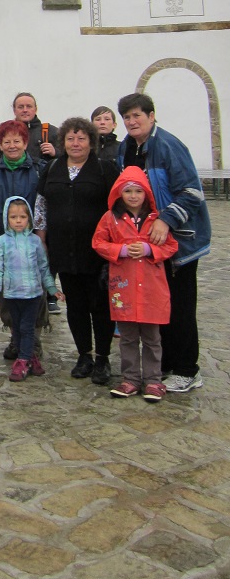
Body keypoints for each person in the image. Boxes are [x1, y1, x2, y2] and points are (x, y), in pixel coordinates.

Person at [116, 92, 211, 393]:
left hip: (179, 242)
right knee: (159, 306)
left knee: (180, 306)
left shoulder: (169, 145)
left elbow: (192, 192)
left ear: (151, 116)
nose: (132, 121)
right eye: (127, 117)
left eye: (137, 115)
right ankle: (167, 364)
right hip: (148, 244)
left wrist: (166, 219)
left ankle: (187, 370)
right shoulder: (126, 148)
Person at [34, 116, 119, 385]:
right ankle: (85, 356)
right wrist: (41, 238)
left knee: (100, 305)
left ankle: (103, 357)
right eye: (70, 138)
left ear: (91, 142)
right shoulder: (53, 168)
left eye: (81, 138)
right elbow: (41, 205)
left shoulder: (105, 169)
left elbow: (117, 208)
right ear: (63, 142)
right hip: (63, 249)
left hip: (97, 251)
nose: (76, 143)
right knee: (76, 305)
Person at [92, 167, 178, 400]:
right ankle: (130, 379)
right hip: (124, 288)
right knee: (128, 337)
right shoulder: (110, 218)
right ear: (119, 193)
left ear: (146, 193)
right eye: (128, 191)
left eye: (138, 191)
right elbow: (98, 242)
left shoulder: (156, 220)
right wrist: (120, 250)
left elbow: (171, 246)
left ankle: (153, 380)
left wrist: (150, 249)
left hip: (151, 288)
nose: (133, 196)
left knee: (152, 338)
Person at [0, 119, 49, 358]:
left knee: (36, 291)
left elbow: (44, 204)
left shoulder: (39, 169)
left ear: (25, 143)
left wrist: (42, 236)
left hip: (32, 240)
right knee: (8, 292)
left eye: (17, 141)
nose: (12, 145)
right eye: (7, 142)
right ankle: (16, 337)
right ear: (0, 145)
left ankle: (33, 339)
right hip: (3, 239)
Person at [0, 197, 63, 381]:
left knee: (27, 327)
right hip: (11, 294)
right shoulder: (1, 242)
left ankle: (22, 361)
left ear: (29, 218)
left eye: (22, 217)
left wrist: (52, 289)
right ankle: (31, 358)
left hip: (32, 294)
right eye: (13, 217)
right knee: (17, 328)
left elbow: (43, 267)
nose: (18, 221)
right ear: (7, 219)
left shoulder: (35, 241)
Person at [0, 93, 59, 166]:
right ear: (14, 110)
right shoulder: (4, 132)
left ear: (35, 109)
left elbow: (66, 160)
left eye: (29, 106)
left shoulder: (50, 131)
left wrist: (56, 152)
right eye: (20, 107)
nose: (25, 110)